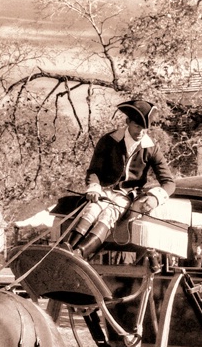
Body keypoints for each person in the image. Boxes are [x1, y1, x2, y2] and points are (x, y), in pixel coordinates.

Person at [60, 99, 176, 260]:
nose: (141, 132)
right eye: (137, 126)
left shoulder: (151, 149)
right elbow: (93, 171)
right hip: (104, 191)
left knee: (109, 214)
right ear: (127, 122)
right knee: (92, 209)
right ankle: (67, 248)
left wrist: (155, 198)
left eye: (145, 129)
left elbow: (169, 183)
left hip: (127, 196)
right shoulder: (109, 141)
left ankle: (79, 253)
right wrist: (93, 188)